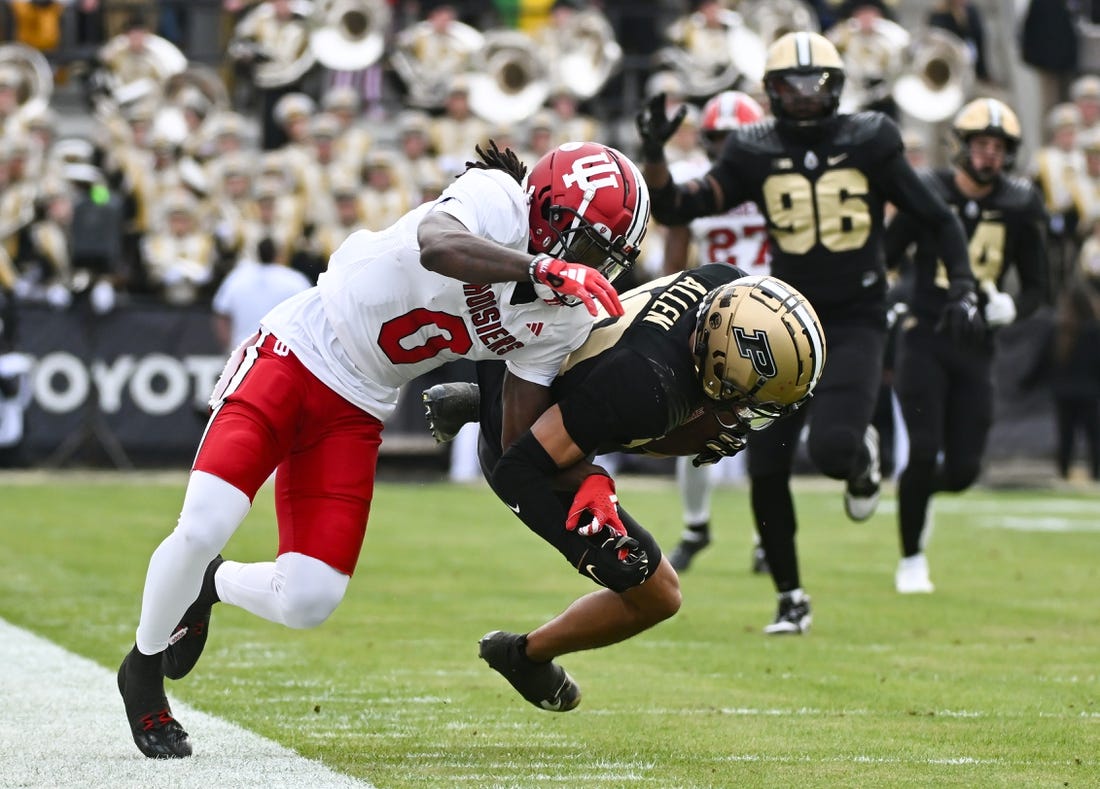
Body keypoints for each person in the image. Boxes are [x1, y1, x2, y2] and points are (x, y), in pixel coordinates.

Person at [116, 140, 650, 759]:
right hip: (298, 350)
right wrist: (537, 268)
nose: (595, 271)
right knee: (206, 520)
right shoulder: (498, 199)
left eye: (609, 260)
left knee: (310, 598)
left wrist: (588, 474)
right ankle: (144, 670)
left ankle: (210, 586)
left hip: (360, 404)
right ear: (550, 214)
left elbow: (516, 440)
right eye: (588, 249)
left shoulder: (563, 319)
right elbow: (439, 246)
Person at [635, 31, 978, 634]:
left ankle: (862, 456)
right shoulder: (752, 149)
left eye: (814, 83)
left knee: (833, 451)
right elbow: (680, 207)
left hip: (855, 319)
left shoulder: (871, 139)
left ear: (838, 86)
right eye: (789, 86)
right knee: (765, 465)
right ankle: (791, 597)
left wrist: (965, 285)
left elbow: (937, 215)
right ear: (769, 92)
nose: (801, 96)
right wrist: (657, 160)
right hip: (785, 316)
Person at [426, 270, 826, 711]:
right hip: (520, 446)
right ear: (716, 365)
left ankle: (480, 399)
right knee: (655, 594)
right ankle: (523, 656)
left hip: (546, 367)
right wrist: (594, 480)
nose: (745, 414)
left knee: (619, 409)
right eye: (746, 399)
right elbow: (520, 467)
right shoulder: (648, 387)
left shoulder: (724, 283)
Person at [886, 98, 1049, 591]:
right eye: (981, 144)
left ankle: (916, 498)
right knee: (924, 449)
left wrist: (1011, 309)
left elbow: (1040, 286)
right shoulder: (929, 192)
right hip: (926, 336)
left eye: (998, 147)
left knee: (962, 471)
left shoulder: (1020, 202)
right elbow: (886, 255)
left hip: (977, 343)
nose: (989, 156)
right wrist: (895, 302)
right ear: (962, 146)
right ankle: (911, 559)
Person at [657, 90, 772, 574]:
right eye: (718, 138)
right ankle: (695, 526)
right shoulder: (692, 182)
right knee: (696, 424)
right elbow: (675, 255)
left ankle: (768, 537)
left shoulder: (773, 178)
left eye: (734, 138)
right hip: (715, 318)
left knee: (770, 433)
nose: (725, 148)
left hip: (772, 316)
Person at [210, 237, 312, 353]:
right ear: (279, 254)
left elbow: (221, 315)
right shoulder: (295, 280)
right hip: (280, 354)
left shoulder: (238, 277)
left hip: (243, 351)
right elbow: (309, 317)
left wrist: (229, 347)